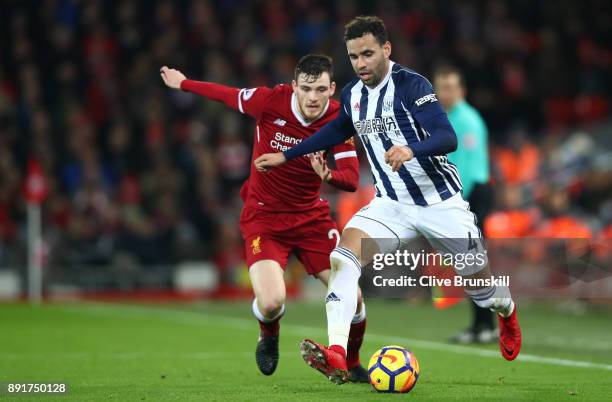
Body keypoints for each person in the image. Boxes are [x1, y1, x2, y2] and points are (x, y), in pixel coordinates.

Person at [255, 16, 522, 384]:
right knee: (343, 259)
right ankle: (337, 352)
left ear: (386, 49)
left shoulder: (413, 85)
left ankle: (506, 309)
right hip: (390, 205)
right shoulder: (351, 94)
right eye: (353, 57)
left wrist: (411, 149)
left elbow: (447, 137)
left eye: (367, 54)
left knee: (481, 289)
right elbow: (335, 129)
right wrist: (288, 154)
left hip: (439, 203)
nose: (361, 63)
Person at [160, 54, 369, 382]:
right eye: (306, 89)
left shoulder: (338, 118)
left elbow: (351, 178)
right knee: (271, 301)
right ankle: (268, 333)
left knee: (354, 297)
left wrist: (327, 175)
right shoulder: (270, 101)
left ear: (332, 89)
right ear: (294, 86)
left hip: (311, 219)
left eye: (320, 90)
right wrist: (183, 84)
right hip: (264, 218)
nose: (312, 97)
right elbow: (227, 94)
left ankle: (351, 363)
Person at [433, 65, 497, 344]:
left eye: (450, 87)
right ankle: (481, 324)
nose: (445, 93)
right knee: (468, 262)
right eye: (441, 87)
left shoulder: (467, 120)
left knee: (473, 261)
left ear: (461, 90)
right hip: (463, 196)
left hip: (473, 195)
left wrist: (457, 206)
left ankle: (487, 324)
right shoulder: (446, 118)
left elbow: (469, 170)